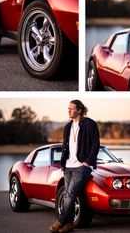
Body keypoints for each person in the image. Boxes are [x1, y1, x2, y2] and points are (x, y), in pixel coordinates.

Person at [49, 100, 100, 233]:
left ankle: (60, 221)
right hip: (68, 165)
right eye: (68, 109)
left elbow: (96, 144)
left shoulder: (89, 124)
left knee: (70, 194)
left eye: (71, 109)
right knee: (67, 194)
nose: (69, 111)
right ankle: (69, 224)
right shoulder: (67, 127)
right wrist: (63, 163)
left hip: (82, 167)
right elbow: (66, 146)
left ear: (79, 110)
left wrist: (88, 161)